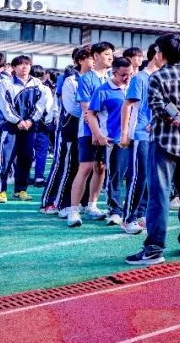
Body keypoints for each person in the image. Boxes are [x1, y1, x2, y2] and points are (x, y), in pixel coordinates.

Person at [126, 34, 180, 265]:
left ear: (160, 54)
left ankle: (154, 249)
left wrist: (176, 116)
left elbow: (158, 107)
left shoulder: (157, 76)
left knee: (159, 195)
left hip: (164, 141)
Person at [66, 42, 114, 226]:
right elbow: (86, 110)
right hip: (88, 131)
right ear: (96, 56)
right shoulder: (86, 78)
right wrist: (96, 132)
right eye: (106, 54)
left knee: (100, 167)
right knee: (85, 168)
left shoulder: (112, 77)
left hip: (108, 131)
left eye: (111, 54)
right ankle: (73, 210)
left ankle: (92, 206)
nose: (110, 57)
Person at [120, 44, 163, 234]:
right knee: (139, 176)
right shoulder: (140, 78)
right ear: (156, 55)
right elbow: (127, 106)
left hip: (157, 135)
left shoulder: (162, 78)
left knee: (150, 176)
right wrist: (124, 134)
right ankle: (128, 218)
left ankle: (140, 213)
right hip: (140, 134)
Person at [42, 48, 90, 216]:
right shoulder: (70, 79)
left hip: (87, 128)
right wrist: (91, 114)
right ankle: (51, 201)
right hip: (69, 127)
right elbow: (69, 106)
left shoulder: (98, 78)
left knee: (81, 166)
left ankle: (77, 202)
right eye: (92, 57)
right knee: (62, 164)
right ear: (81, 60)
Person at [87, 57, 134, 226]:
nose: (127, 78)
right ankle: (115, 210)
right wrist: (98, 134)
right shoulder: (102, 90)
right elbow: (91, 114)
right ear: (114, 73)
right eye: (123, 75)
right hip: (114, 140)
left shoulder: (134, 87)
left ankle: (134, 211)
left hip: (136, 138)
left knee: (136, 176)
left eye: (130, 74)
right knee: (115, 176)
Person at [0, 55, 46, 203]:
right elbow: (4, 105)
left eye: (27, 64)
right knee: (5, 160)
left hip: (29, 127)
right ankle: (1, 191)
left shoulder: (37, 83)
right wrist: (17, 120)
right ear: (14, 67)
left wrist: (30, 120)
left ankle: (21, 190)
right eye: (20, 64)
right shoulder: (6, 83)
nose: (24, 67)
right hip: (10, 127)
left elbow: (41, 104)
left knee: (26, 159)